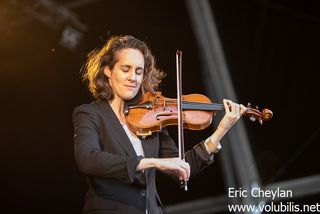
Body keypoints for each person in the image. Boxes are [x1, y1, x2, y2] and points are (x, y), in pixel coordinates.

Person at [73, 35, 246, 214]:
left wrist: (221, 130)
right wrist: (152, 162)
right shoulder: (90, 114)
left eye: (139, 72)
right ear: (108, 71)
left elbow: (184, 166)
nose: (133, 77)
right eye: (126, 69)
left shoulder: (150, 118)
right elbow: (88, 160)